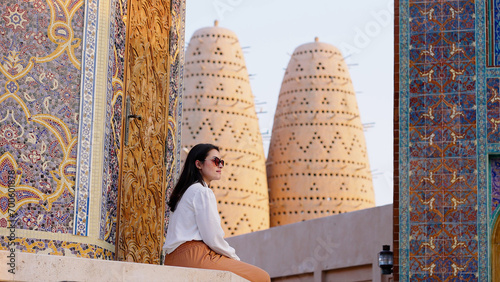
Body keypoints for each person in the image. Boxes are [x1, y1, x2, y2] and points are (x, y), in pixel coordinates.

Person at [163, 143, 270, 282]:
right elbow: (213, 238)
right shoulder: (202, 191)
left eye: (222, 162)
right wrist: (234, 258)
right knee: (261, 277)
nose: (220, 165)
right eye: (215, 161)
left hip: (172, 258)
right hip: (193, 256)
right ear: (199, 164)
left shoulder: (186, 192)